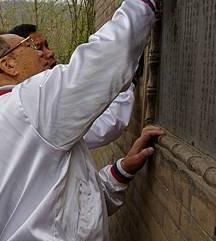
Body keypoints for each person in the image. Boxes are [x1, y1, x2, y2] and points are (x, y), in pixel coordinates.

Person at [0, 0, 167, 241]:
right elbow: (99, 62)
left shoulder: (12, 116)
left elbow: (65, 204)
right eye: (32, 46)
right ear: (8, 65)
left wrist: (122, 171)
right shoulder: (28, 101)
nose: (43, 53)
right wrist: (143, 4)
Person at [8, 23, 136, 149]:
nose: (49, 53)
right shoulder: (37, 108)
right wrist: (126, 82)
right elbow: (103, 127)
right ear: (12, 64)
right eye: (38, 49)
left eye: (47, 46)